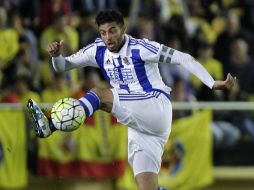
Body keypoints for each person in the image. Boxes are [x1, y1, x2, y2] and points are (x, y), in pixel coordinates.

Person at [27, 10, 236, 190]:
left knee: (98, 94)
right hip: (140, 125)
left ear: (123, 29)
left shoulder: (140, 47)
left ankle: (52, 125)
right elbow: (63, 67)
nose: (108, 37)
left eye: (112, 31)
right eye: (103, 32)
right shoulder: (97, 50)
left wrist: (211, 82)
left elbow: (183, 58)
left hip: (154, 106)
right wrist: (56, 56)